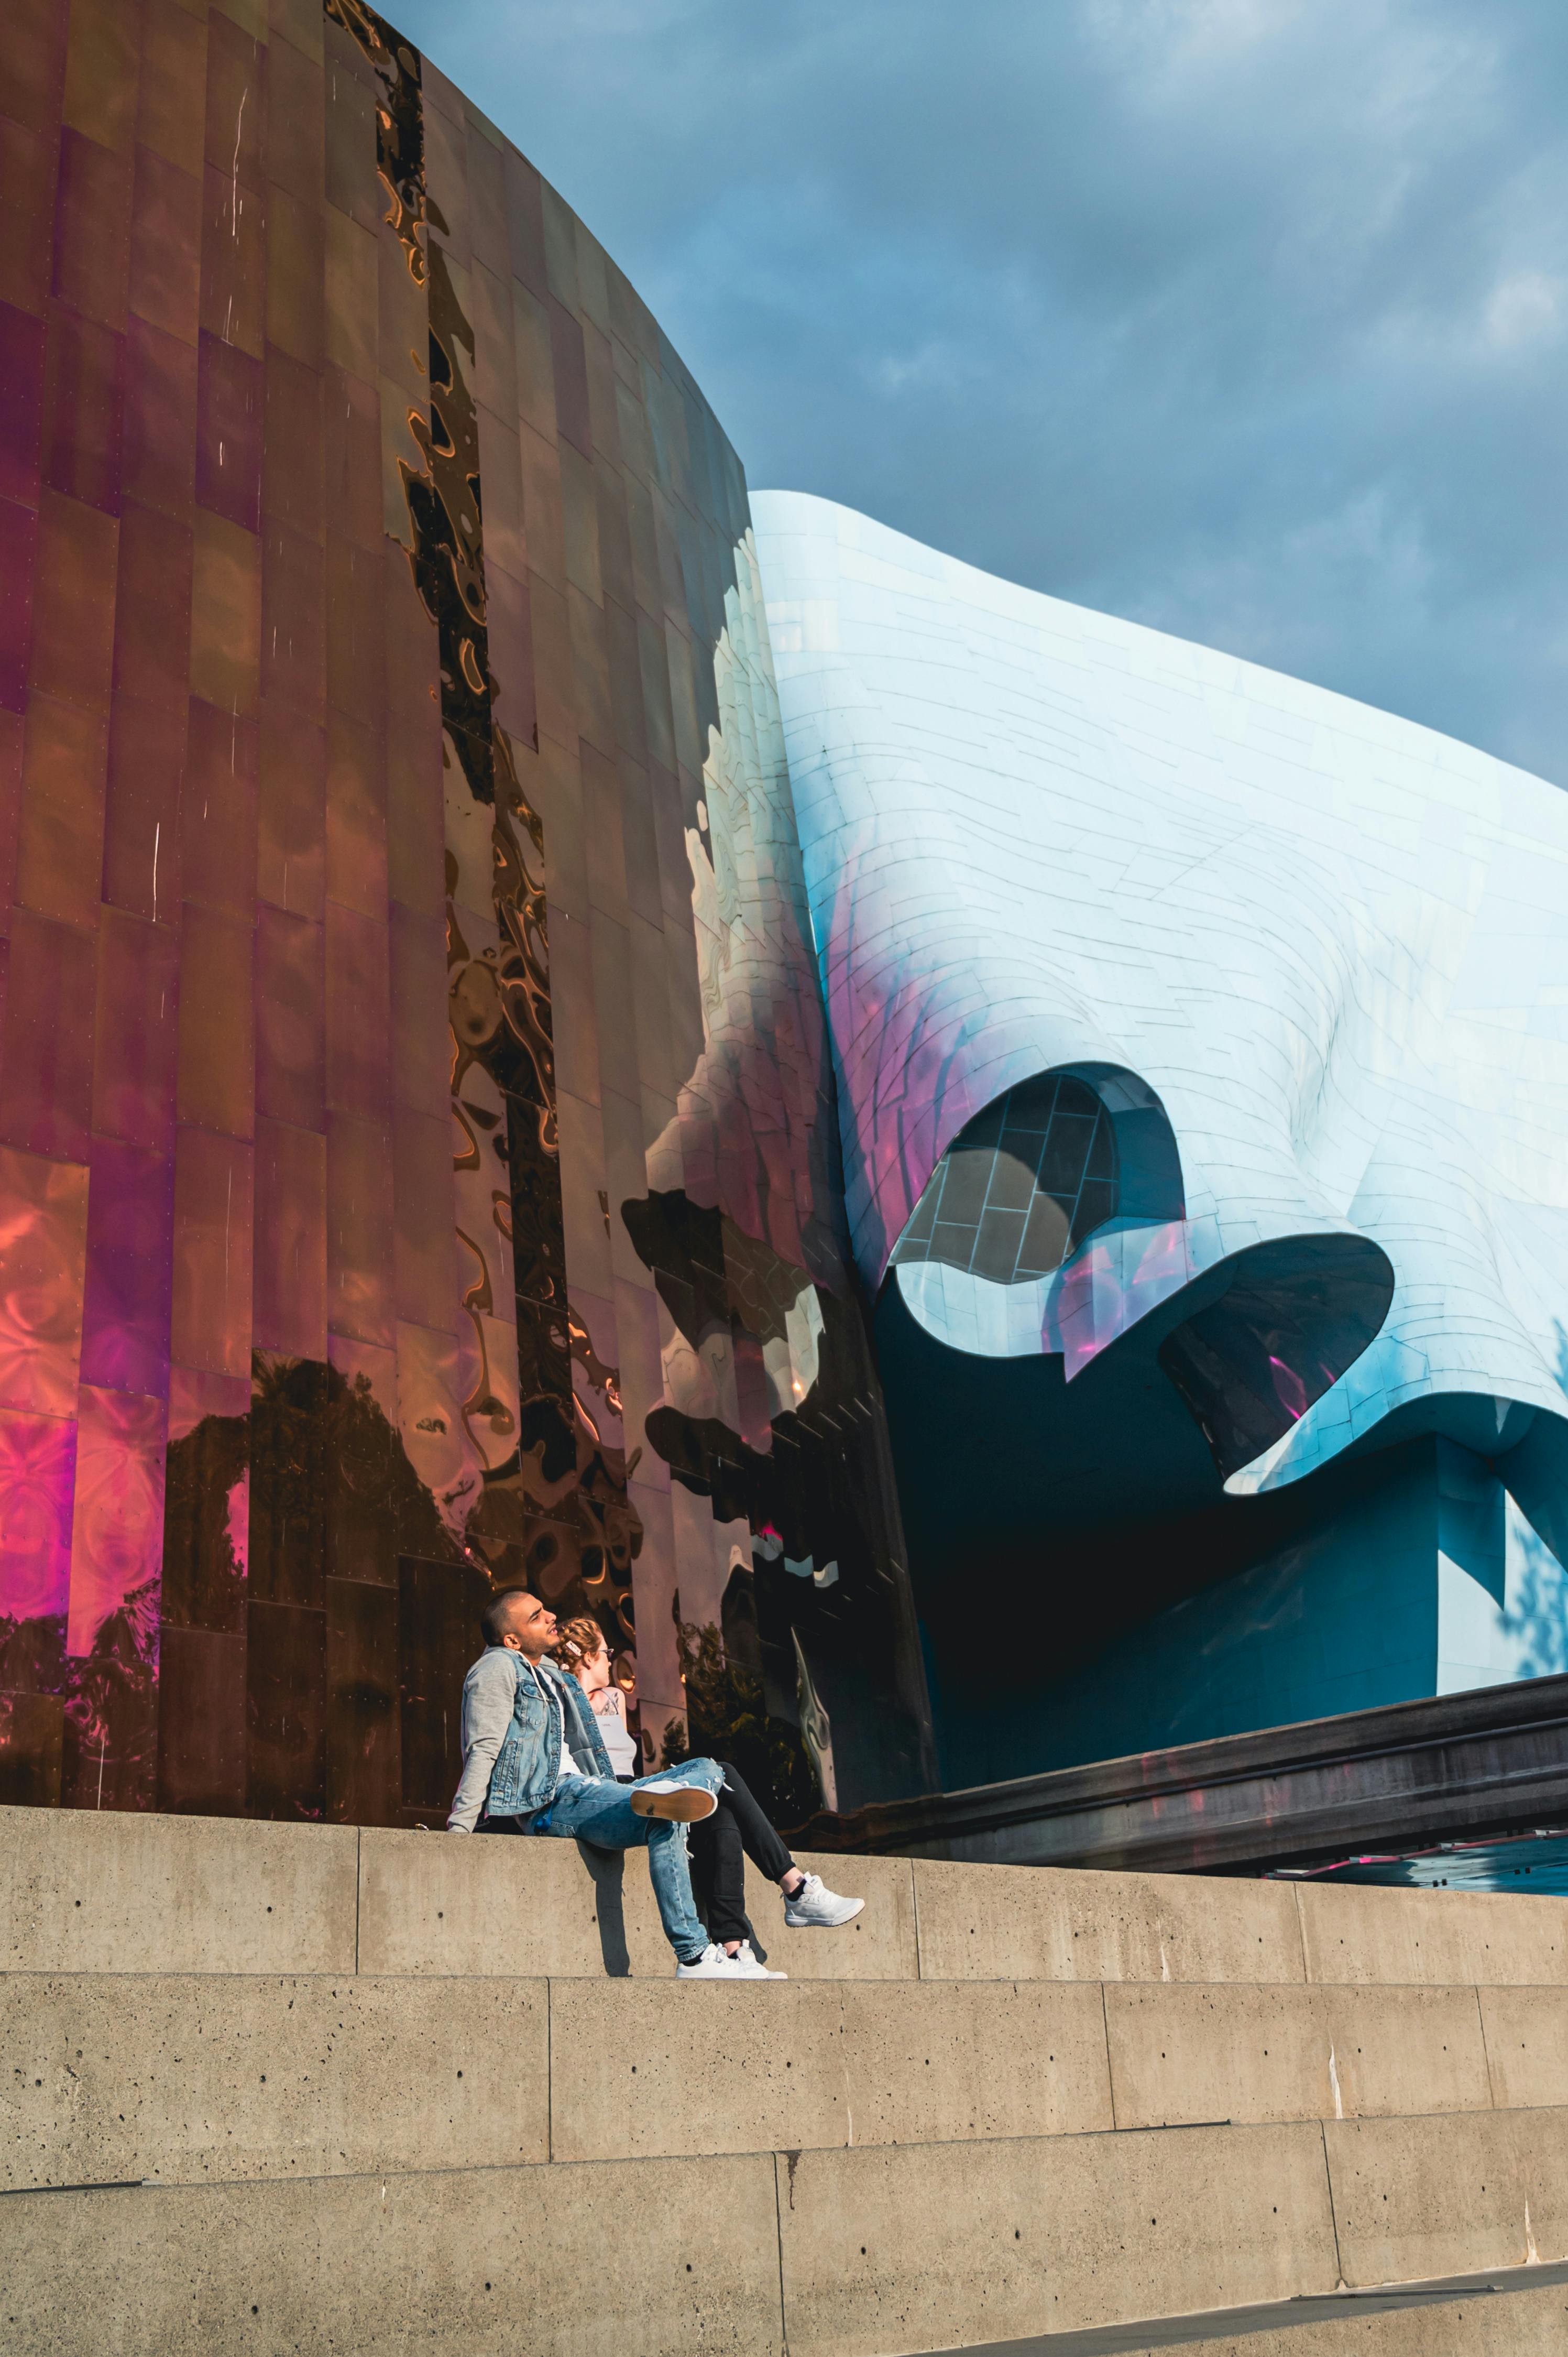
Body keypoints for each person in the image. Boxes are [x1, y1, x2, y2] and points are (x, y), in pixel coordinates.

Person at [446, 1588, 774, 1979]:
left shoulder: (550, 1673)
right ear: (511, 1639)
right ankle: (694, 1956)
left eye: (545, 1608)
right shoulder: (497, 1667)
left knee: (709, 1768)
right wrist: (459, 1830)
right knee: (663, 1813)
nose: (551, 1616)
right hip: (552, 1801)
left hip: (588, 1788)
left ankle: (666, 1800)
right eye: (536, 1616)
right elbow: (483, 1748)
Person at [553, 1612, 865, 1961]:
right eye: (606, 1652)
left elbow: (623, 1760)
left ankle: (734, 1948)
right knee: (723, 1772)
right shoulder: (558, 1703)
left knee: (722, 1815)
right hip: (602, 1798)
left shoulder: (612, 1698)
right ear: (588, 1656)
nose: (611, 1659)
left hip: (636, 1787)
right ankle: (794, 1887)